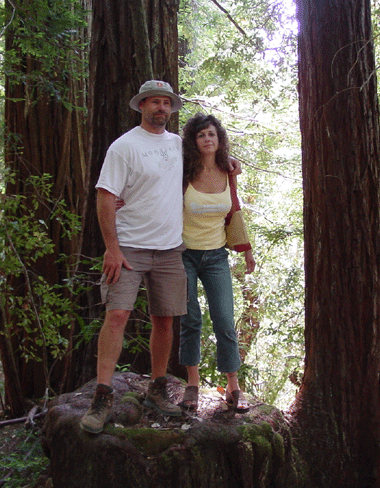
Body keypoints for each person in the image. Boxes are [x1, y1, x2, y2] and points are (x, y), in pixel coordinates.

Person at [81, 80, 188, 434]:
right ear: (141, 105)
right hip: (128, 247)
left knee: (165, 320)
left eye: (166, 103)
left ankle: (157, 389)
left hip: (170, 248)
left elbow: (208, 163)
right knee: (117, 315)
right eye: (154, 102)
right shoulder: (124, 146)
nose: (161, 108)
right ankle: (102, 397)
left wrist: (228, 162)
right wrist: (112, 248)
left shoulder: (178, 145)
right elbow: (104, 195)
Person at [179, 113, 255, 413]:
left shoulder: (228, 171)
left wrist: (246, 251)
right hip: (183, 254)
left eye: (211, 134)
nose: (207, 139)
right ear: (193, 141)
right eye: (201, 135)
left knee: (224, 319)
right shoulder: (183, 172)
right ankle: (192, 383)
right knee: (191, 319)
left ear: (219, 139)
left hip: (216, 256)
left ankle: (233, 386)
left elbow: (234, 211)